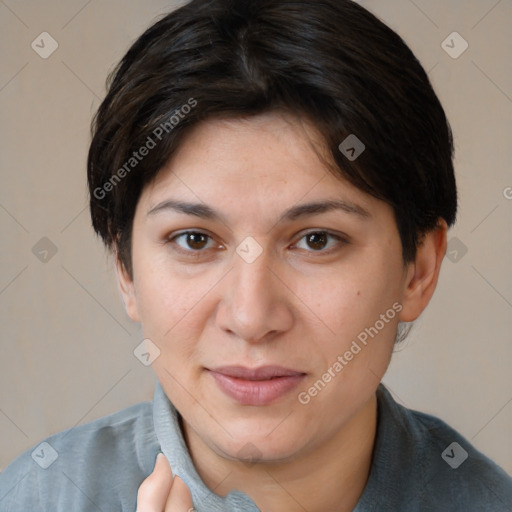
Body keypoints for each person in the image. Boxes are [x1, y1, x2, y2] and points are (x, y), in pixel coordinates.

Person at [1, 0, 511, 510]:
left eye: (317, 240)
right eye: (195, 240)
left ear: (418, 271)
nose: (251, 318)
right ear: (124, 268)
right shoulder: (36, 495)